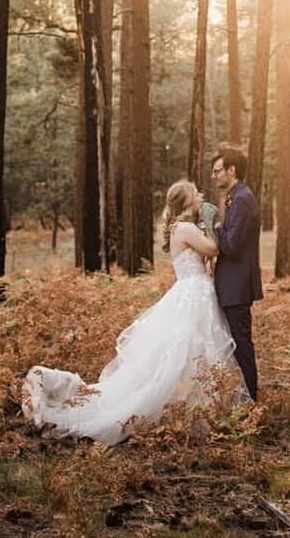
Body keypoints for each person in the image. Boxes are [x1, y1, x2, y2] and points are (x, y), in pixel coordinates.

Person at [20, 180, 244, 443]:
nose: (202, 194)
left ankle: (193, 408)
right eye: (196, 193)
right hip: (193, 295)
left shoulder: (184, 227)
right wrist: (212, 222)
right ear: (186, 203)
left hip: (194, 293)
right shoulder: (184, 227)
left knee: (192, 352)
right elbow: (213, 249)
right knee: (186, 352)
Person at [210, 145, 262, 401]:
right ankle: (242, 399)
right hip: (231, 285)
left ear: (232, 170)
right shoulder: (236, 197)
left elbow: (230, 247)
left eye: (218, 170)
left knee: (242, 344)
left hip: (237, 287)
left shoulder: (242, 199)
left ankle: (252, 401)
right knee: (237, 344)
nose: (214, 175)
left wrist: (215, 226)